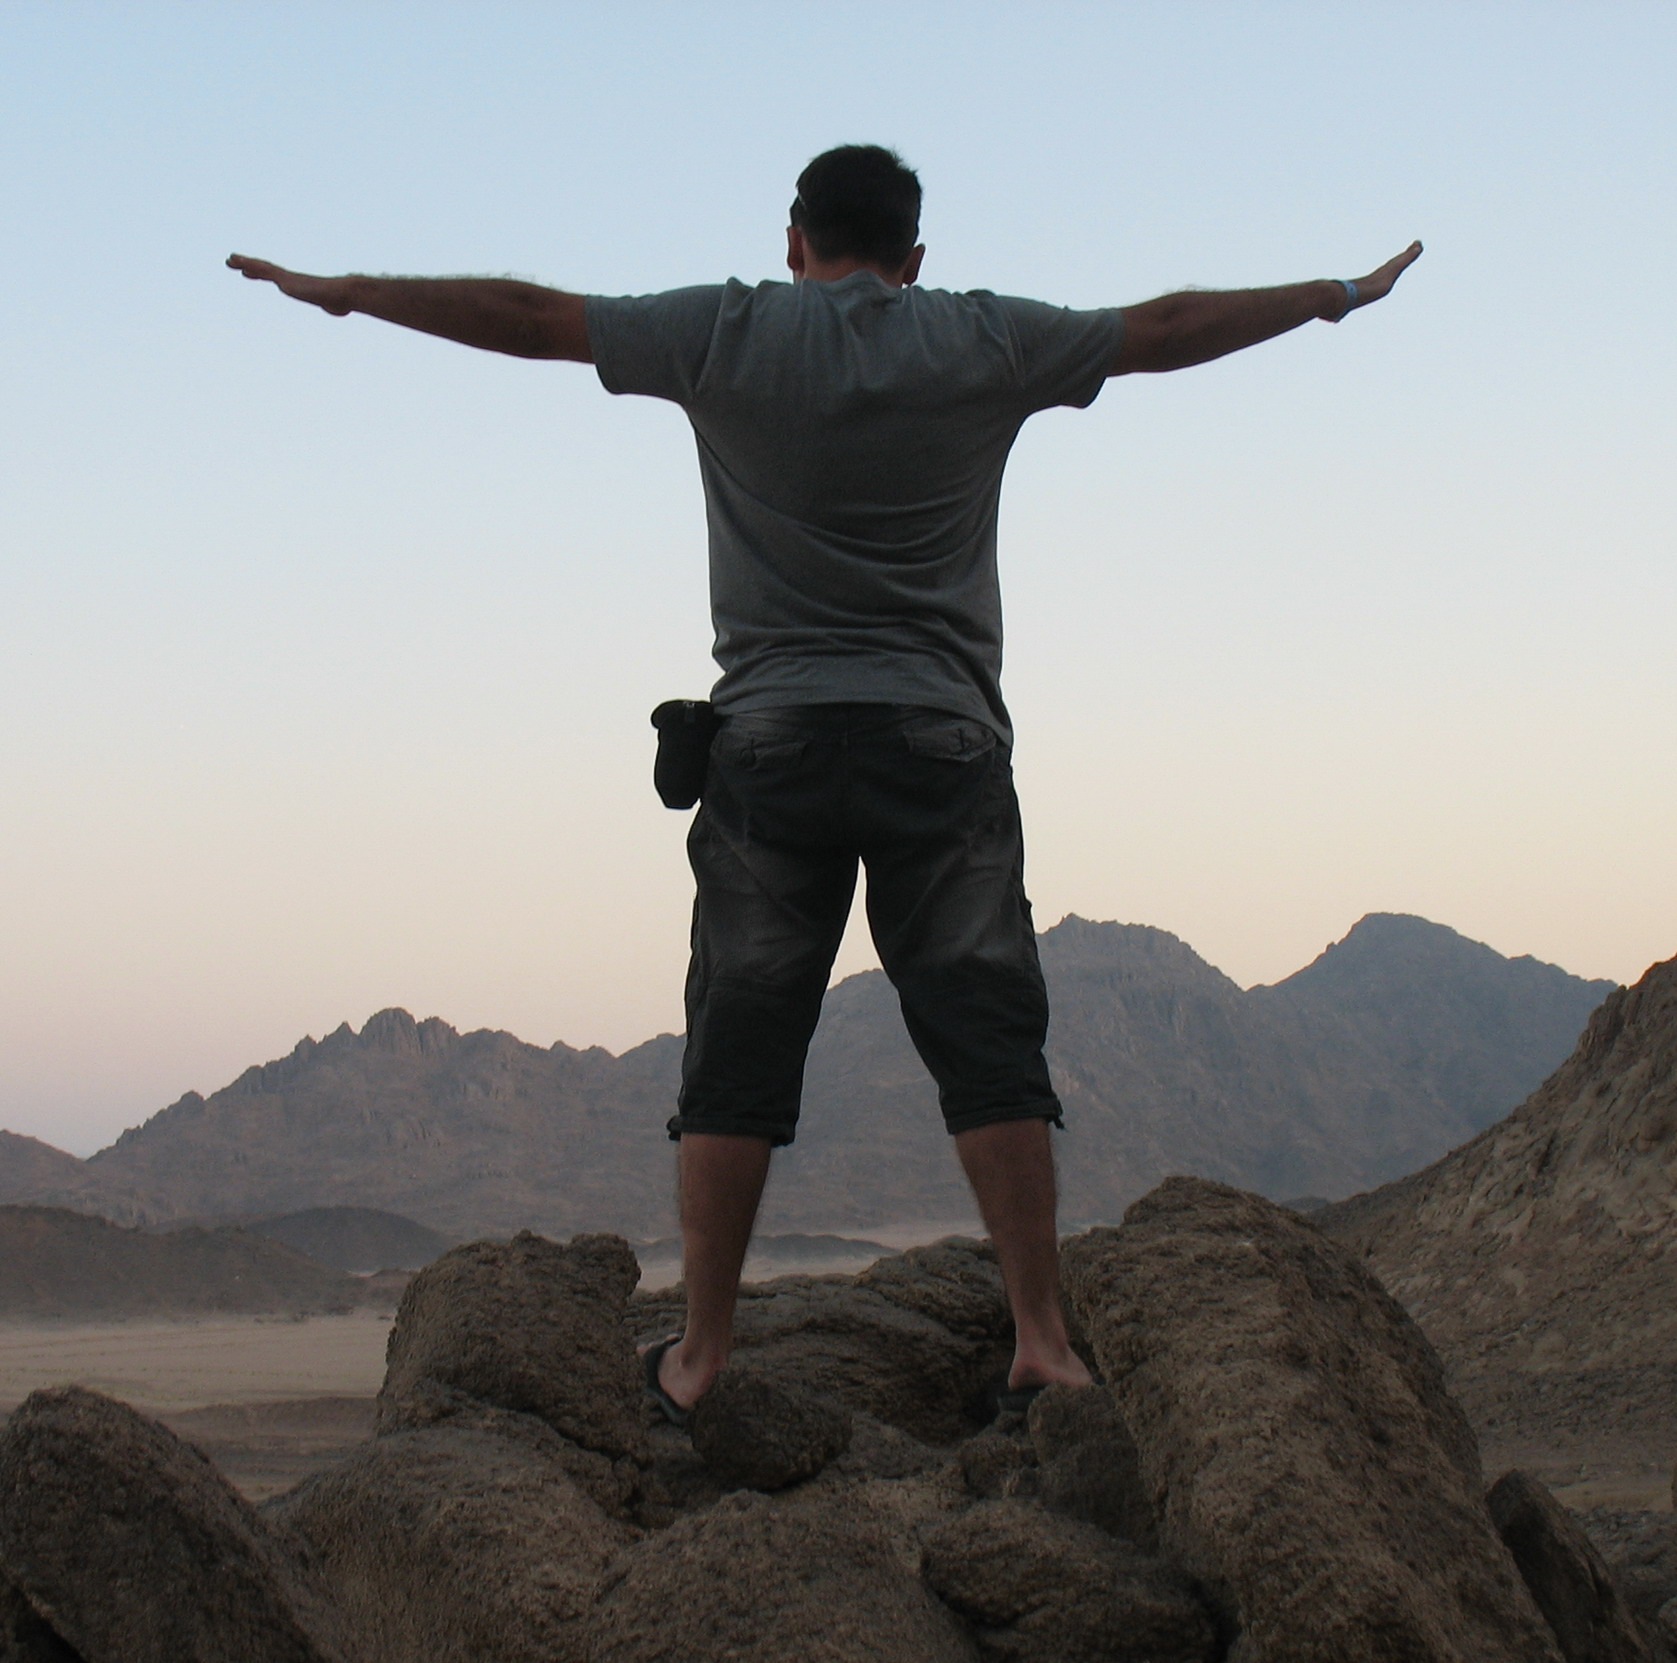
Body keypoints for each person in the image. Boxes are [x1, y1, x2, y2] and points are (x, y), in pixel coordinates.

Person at [230, 144, 1420, 1423]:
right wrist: (1334, 296)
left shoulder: (725, 332)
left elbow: (527, 316)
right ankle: (1040, 1339)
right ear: (916, 257)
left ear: (793, 240)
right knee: (988, 1039)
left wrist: (351, 291)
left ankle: (702, 1355)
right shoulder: (984, 340)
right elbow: (1169, 329)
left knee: (738, 1046)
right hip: (942, 746)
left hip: (772, 749)